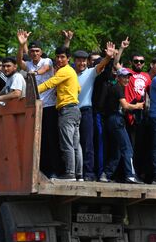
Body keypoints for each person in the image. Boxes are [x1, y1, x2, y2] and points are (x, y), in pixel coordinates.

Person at [16, 29, 61, 178]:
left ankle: (55, 170)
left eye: (37, 51)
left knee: (51, 139)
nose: (35, 53)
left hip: (48, 106)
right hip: (35, 107)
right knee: (38, 140)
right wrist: (21, 45)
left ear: (41, 52)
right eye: (33, 51)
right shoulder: (28, 64)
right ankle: (42, 170)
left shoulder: (46, 61)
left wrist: (34, 73)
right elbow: (18, 62)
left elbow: (44, 69)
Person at [37, 46, 82, 182]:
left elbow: (50, 83)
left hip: (67, 110)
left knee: (67, 143)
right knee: (75, 145)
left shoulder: (64, 70)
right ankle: (78, 174)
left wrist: (32, 89)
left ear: (68, 58)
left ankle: (70, 174)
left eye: (63, 57)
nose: (59, 59)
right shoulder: (71, 71)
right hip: (74, 109)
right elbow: (78, 89)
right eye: (57, 57)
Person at [72, 42, 115, 181]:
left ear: (87, 62)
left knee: (87, 143)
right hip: (71, 111)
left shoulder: (90, 73)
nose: (81, 63)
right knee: (71, 144)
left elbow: (101, 66)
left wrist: (108, 57)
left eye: (84, 60)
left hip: (86, 111)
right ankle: (74, 173)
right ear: (75, 61)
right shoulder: (69, 73)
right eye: (79, 60)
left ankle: (89, 173)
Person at [99, 69, 145, 184]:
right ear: (118, 77)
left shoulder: (116, 88)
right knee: (127, 149)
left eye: (128, 77)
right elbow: (125, 106)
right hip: (116, 120)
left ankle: (106, 175)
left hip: (112, 120)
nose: (127, 79)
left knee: (118, 151)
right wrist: (137, 106)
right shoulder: (118, 88)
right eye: (124, 77)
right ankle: (130, 176)